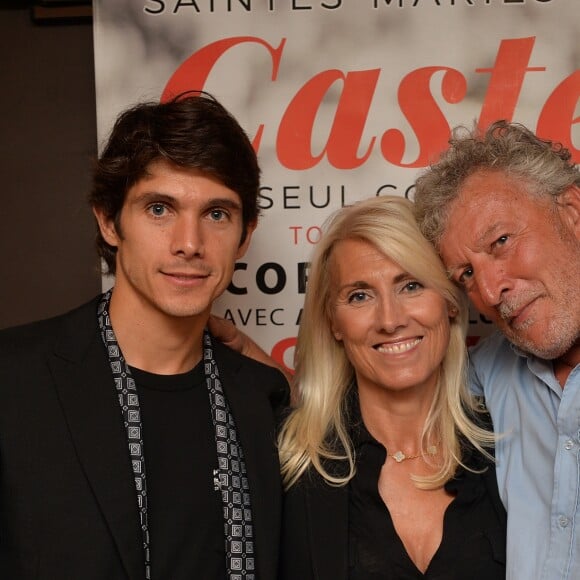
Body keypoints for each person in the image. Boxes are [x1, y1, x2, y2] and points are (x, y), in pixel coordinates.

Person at [0, 93, 288, 579]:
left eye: (216, 214)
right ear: (109, 221)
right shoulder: (14, 379)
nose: (190, 244)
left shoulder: (266, 399)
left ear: (245, 235)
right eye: (160, 209)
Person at [277, 196, 506, 579]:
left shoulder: (509, 447)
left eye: (411, 285)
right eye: (360, 296)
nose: (390, 319)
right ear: (333, 322)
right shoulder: (284, 460)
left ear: (449, 302)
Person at [413, 120, 580, 580]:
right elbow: (372, 409)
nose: (489, 290)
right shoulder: (484, 371)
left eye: (501, 242)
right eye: (465, 274)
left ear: (572, 212)